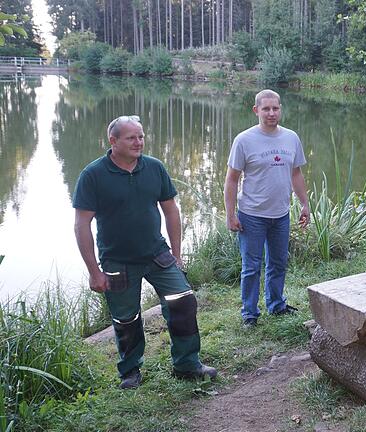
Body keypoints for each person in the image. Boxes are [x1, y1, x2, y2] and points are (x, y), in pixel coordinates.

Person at [73, 115, 217, 390]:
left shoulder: (154, 167)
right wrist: (94, 271)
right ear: (113, 141)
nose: (138, 142)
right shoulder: (93, 174)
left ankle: (187, 364)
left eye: (140, 136)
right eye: (131, 137)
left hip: (157, 255)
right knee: (126, 318)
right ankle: (130, 371)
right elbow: (82, 225)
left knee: (183, 302)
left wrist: (177, 253)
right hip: (117, 261)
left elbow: (171, 210)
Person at [224, 89, 310, 328]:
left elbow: (296, 173)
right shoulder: (244, 140)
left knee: (278, 263)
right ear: (256, 110)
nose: (271, 113)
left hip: (280, 215)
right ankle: (250, 314)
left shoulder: (291, 138)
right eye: (266, 109)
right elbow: (231, 179)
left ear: (280, 109)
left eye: (275, 108)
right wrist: (230, 215)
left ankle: (276, 305)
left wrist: (305, 204)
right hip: (252, 215)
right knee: (251, 268)